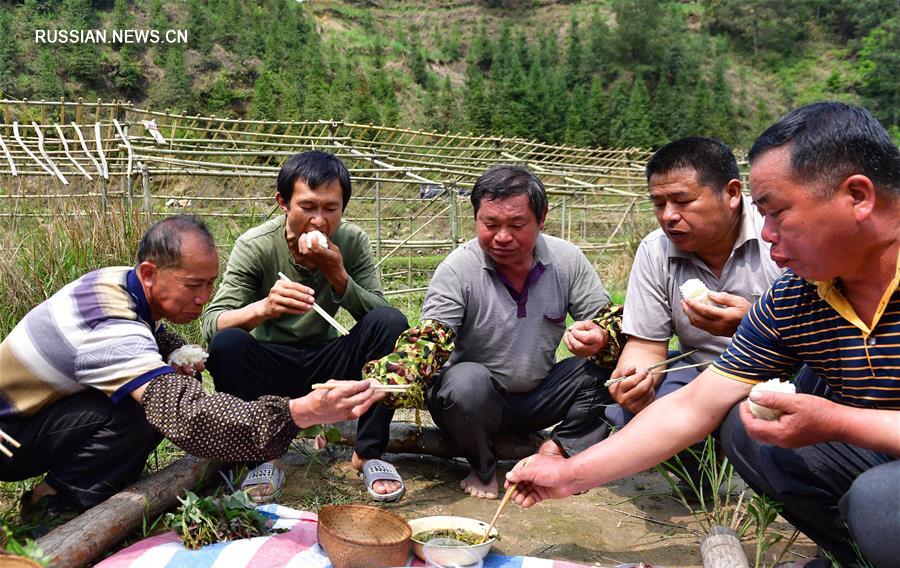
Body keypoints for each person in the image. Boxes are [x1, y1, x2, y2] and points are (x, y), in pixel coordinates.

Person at [506, 102, 900, 568]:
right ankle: (856, 566)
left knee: (881, 500)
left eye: (777, 212)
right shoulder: (800, 292)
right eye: (763, 215)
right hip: (872, 442)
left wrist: (837, 421)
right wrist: (569, 475)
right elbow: (694, 403)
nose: (770, 235)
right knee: (747, 427)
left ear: (857, 196)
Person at [0, 215, 383, 535]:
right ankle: (56, 500)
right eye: (193, 285)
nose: (204, 297)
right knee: (149, 405)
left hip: (35, 417)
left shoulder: (118, 281)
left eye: (211, 283)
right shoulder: (112, 327)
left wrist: (172, 352)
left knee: (165, 383)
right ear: (150, 273)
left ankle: (84, 486)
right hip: (10, 435)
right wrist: (298, 412)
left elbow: (154, 334)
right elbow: (184, 412)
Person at [363, 165, 624, 499]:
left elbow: (610, 322)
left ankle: (557, 451)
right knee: (466, 382)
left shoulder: (566, 261)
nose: (502, 236)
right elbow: (429, 338)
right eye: (490, 224)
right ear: (476, 219)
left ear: (541, 218)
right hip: (471, 405)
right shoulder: (459, 269)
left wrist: (600, 337)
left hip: (538, 396)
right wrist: (384, 381)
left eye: (516, 225)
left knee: (614, 367)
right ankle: (482, 467)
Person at [201, 151, 409, 503]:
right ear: (283, 202)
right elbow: (212, 322)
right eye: (307, 207)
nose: (319, 220)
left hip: (328, 363)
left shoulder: (352, 241)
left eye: (331, 209)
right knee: (228, 344)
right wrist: (264, 308)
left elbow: (381, 313)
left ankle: (369, 452)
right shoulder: (256, 245)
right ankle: (263, 456)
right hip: (271, 365)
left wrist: (339, 277)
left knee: (391, 322)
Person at [606, 137, 783, 491]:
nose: (669, 216)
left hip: (782, 376)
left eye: (682, 201)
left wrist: (753, 324)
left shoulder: (777, 235)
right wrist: (634, 379)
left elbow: (824, 336)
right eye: (658, 203)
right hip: (702, 373)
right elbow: (645, 345)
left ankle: (778, 479)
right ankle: (702, 475)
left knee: (748, 419)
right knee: (629, 411)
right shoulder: (656, 251)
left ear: (731, 193)